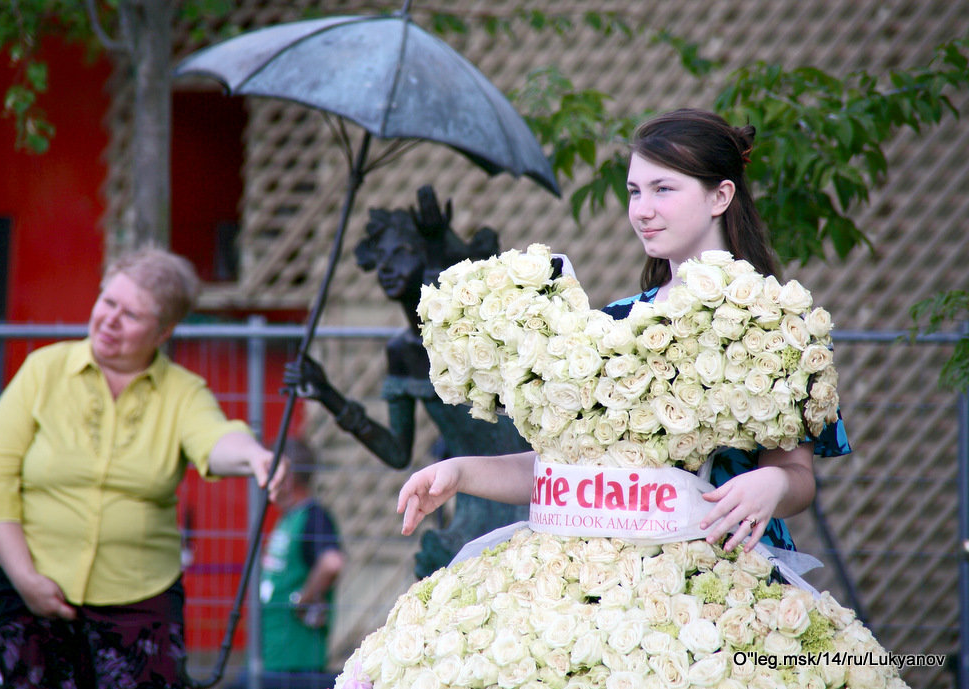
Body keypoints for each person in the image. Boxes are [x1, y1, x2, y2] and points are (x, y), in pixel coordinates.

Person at [398, 108, 850, 553]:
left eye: (663, 189)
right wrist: (459, 473)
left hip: (729, 568)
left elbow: (797, 475)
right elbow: (577, 475)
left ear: (721, 196)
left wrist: (774, 483)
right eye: (635, 191)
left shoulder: (777, 322)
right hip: (612, 577)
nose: (643, 210)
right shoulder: (614, 321)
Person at [0, 246, 281, 689]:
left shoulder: (182, 392)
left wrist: (254, 456)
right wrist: (26, 578)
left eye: (131, 315)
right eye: (108, 302)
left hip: (140, 603)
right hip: (26, 592)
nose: (110, 319)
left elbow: (214, 438)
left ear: (164, 330)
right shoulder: (42, 371)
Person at [284, 186, 530, 577]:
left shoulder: (472, 329)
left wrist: (441, 239)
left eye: (401, 253)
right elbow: (398, 452)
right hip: (471, 502)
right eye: (381, 258)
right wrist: (328, 395)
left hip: (525, 485)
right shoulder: (401, 351)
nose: (387, 267)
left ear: (425, 255)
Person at [245, 438, 345, 689]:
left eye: (272, 472)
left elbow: (332, 562)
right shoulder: (290, 517)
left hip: (295, 662)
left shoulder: (314, 516)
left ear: (287, 477)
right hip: (275, 654)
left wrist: (303, 599)